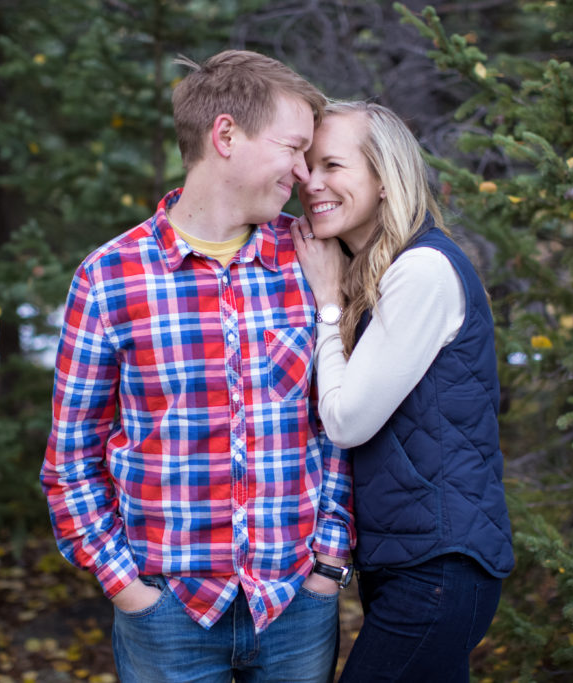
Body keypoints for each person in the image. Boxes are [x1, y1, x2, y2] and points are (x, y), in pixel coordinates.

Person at [40, 50, 355, 683]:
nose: (304, 171)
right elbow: (71, 459)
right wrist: (126, 587)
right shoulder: (110, 278)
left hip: (295, 605)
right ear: (226, 135)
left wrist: (328, 566)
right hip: (167, 615)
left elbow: (339, 429)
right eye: (293, 148)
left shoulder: (314, 263)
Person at [291, 101, 514, 682]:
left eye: (333, 165)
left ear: (385, 178)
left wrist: (326, 303)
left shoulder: (423, 271)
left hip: (437, 569)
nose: (311, 182)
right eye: (308, 165)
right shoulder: (385, 270)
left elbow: (345, 420)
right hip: (410, 562)